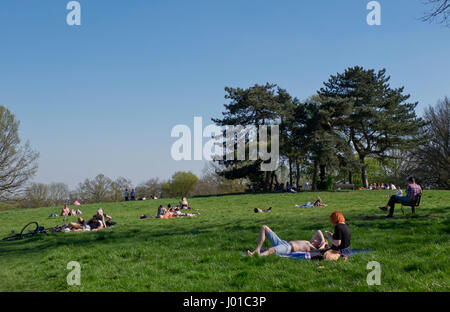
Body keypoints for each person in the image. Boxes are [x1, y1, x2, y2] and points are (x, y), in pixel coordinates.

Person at [246, 226, 329, 257]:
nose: (315, 239)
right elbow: (318, 231)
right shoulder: (310, 242)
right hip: (283, 243)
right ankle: (257, 250)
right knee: (264, 227)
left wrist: (324, 244)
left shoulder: (312, 248)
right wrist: (322, 240)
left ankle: (257, 256)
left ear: (319, 245)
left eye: (318, 241)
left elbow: (321, 250)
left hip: (288, 248)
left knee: (271, 250)